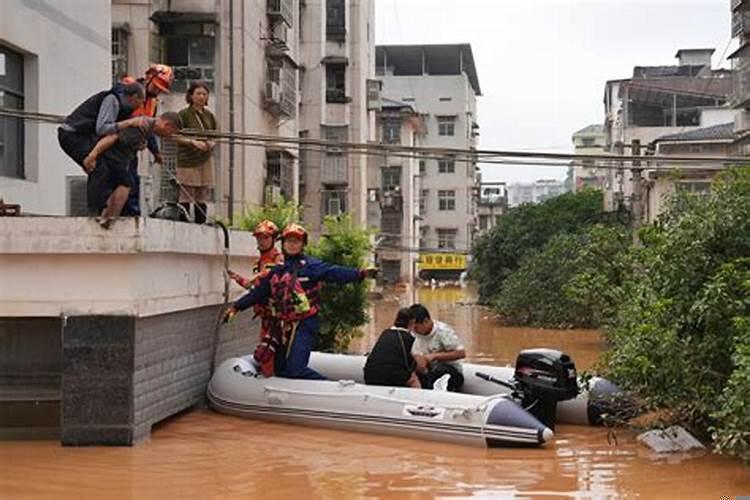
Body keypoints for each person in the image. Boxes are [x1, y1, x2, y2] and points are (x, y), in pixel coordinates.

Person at [223, 223, 378, 380]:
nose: (292, 245)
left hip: (304, 324)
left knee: (296, 369)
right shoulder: (277, 270)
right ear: (282, 244)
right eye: (288, 241)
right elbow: (259, 292)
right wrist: (236, 307)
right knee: (281, 370)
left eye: (296, 241)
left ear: (303, 245)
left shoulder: (311, 266)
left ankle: (331, 390)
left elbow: (334, 272)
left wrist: (360, 274)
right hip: (282, 326)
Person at [58, 81, 149, 217]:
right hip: (73, 134)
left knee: (113, 171)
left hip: (86, 136)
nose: (139, 106)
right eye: (140, 102)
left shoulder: (124, 109)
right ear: (133, 97)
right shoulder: (112, 100)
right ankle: (95, 210)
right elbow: (102, 128)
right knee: (98, 167)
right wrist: (128, 123)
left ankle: (107, 211)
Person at [81, 112, 182, 228]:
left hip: (119, 160)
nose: (168, 136)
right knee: (124, 184)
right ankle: (107, 218)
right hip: (110, 158)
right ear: (167, 125)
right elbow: (112, 137)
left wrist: (142, 147)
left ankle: (107, 217)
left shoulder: (148, 130)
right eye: (171, 133)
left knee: (124, 184)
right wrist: (93, 154)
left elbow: (133, 141)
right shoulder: (141, 126)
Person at [227, 220, 284, 376]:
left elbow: (267, 280)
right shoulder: (258, 262)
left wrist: (238, 306)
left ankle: (272, 382)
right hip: (265, 316)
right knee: (265, 351)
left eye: (265, 238)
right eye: (259, 238)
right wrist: (237, 278)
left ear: (273, 239)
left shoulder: (278, 260)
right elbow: (254, 289)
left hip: (278, 318)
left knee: (267, 352)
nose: (261, 241)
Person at [120, 64, 174, 216]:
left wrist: (156, 152)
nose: (157, 91)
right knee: (122, 183)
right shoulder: (127, 90)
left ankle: (132, 217)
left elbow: (149, 129)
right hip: (116, 146)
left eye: (160, 89)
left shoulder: (152, 103)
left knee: (133, 184)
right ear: (149, 78)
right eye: (156, 87)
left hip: (131, 149)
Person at [173, 81, 217, 224]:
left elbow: (216, 135)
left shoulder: (209, 115)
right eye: (198, 93)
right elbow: (175, 135)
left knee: (202, 193)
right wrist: (193, 142)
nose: (201, 97)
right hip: (188, 159)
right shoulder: (183, 114)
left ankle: (200, 224)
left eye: (204, 94)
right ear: (191, 96)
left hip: (205, 158)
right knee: (187, 192)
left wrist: (211, 143)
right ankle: (183, 223)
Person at [409, 303, 466, 391]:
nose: (414, 330)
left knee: (438, 370)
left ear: (426, 321)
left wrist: (434, 356)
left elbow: (461, 353)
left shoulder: (442, 331)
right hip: (427, 369)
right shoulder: (413, 334)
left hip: (450, 372)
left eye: (416, 327)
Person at [364, 308, 421, 388]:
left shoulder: (385, 333)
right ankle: (418, 399)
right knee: (413, 379)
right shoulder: (409, 338)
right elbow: (421, 365)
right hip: (391, 378)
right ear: (412, 322)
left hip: (369, 375)